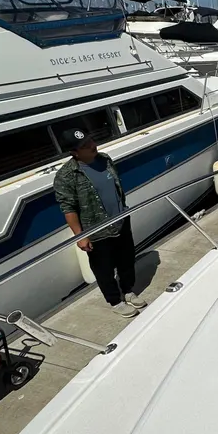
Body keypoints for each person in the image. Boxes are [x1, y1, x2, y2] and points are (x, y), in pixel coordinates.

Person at [53, 129, 147, 317]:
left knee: (127, 259)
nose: (92, 146)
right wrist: (81, 236)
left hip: (120, 220)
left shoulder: (105, 159)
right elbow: (68, 208)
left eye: (91, 140)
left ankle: (128, 290)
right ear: (75, 152)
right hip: (97, 230)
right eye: (85, 146)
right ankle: (115, 301)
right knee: (103, 269)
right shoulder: (66, 175)